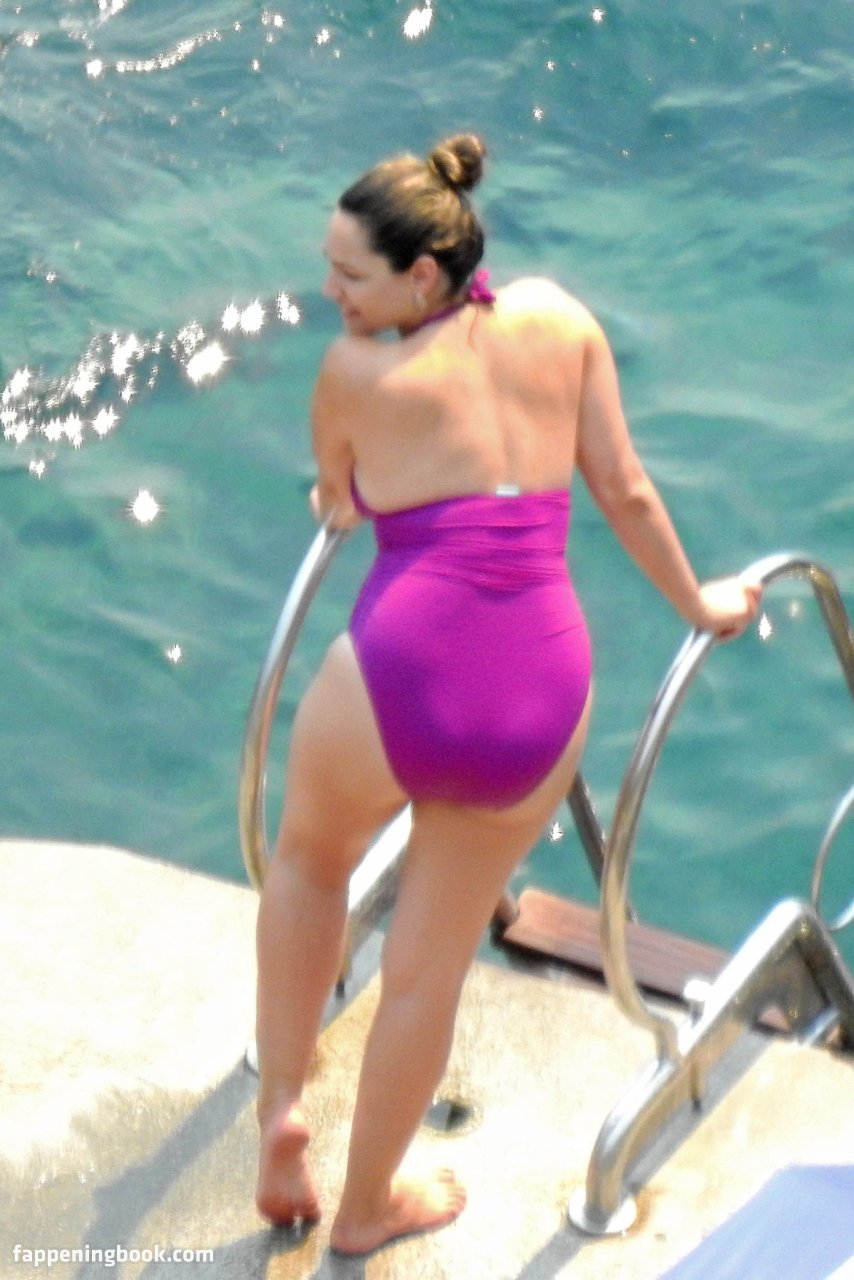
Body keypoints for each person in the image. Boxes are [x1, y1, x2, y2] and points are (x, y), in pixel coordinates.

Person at [254, 132, 762, 1257]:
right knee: (426, 971)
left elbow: (339, 499)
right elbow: (625, 490)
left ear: (421, 276)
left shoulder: (353, 373)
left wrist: (369, 477)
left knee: (308, 865)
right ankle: (366, 1206)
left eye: (348, 275)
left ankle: (282, 1104)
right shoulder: (563, 321)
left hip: (393, 673)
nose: (329, 293)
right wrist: (701, 601)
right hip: (535, 690)